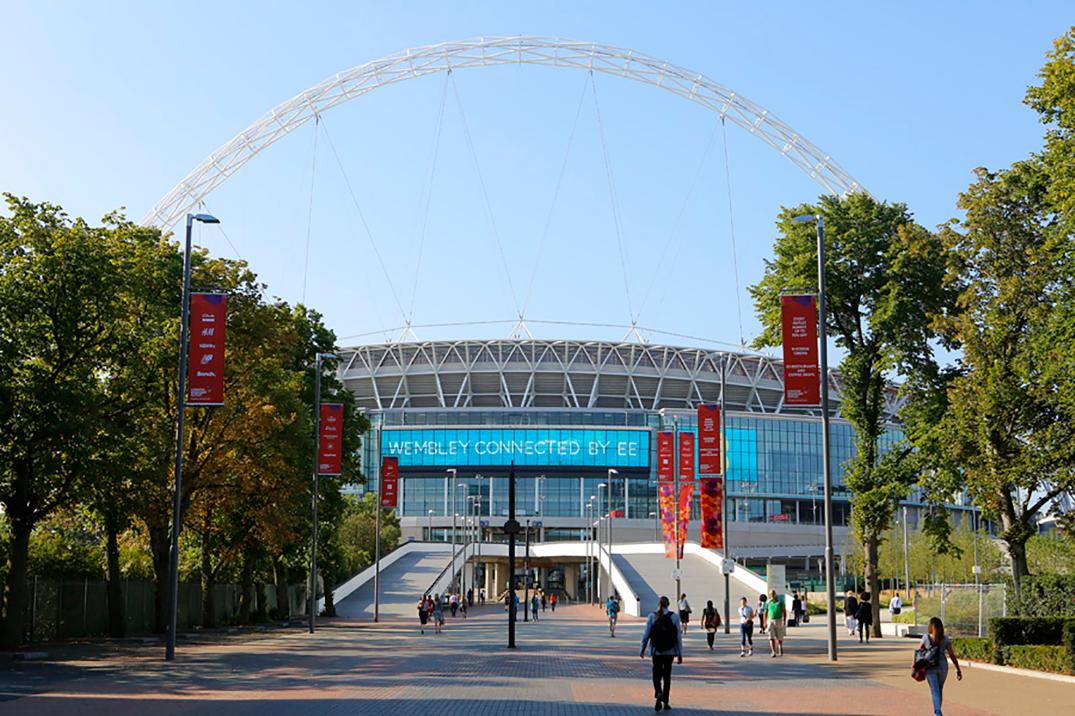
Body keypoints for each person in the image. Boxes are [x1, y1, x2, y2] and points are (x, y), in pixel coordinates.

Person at [640, 596, 683, 712]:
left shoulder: (652, 616)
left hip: (656, 651)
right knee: (667, 676)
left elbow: (646, 635)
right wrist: (679, 653)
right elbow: (678, 637)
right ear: (668, 604)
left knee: (656, 673)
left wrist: (642, 649)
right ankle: (666, 701)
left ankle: (658, 692)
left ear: (659, 604)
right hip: (670, 651)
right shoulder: (674, 617)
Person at [917, 616, 962, 716]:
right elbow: (952, 655)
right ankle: (937, 711)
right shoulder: (945, 639)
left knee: (935, 690)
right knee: (939, 689)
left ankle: (938, 712)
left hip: (930, 667)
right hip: (943, 667)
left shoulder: (926, 638)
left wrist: (916, 666)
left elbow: (918, 652)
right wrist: (957, 669)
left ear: (930, 627)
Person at [766, 589, 787, 657]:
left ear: (775, 594)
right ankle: (773, 651)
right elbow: (765, 612)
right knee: (771, 636)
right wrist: (765, 622)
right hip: (770, 620)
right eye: (771, 594)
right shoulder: (768, 602)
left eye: (773, 594)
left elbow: (784, 611)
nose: (772, 595)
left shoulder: (780, 601)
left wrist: (784, 620)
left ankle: (780, 647)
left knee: (780, 636)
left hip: (779, 620)